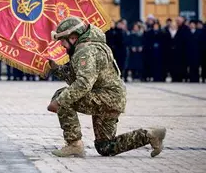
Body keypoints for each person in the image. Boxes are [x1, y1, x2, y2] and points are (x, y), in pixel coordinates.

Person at [46, 16, 166, 158]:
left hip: (106, 97)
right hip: (112, 98)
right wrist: (54, 68)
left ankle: (74, 144)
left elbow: (83, 84)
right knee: (105, 147)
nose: (62, 46)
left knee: (63, 96)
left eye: (63, 41)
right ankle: (150, 135)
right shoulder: (90, 46)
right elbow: (75, 77)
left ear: (72, 37)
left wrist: (59, 102)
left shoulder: (86, 51)